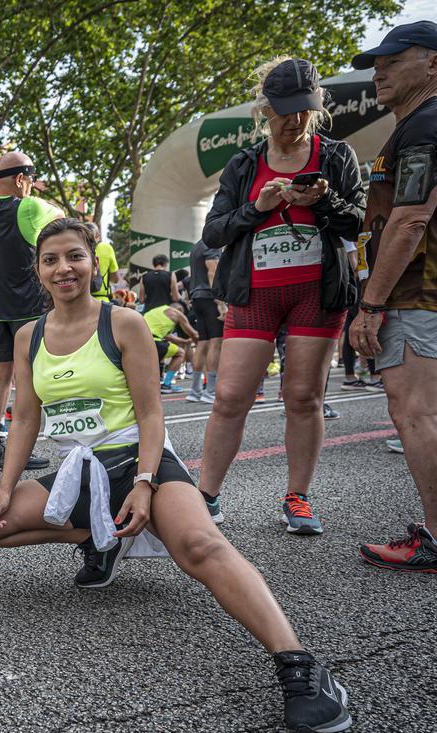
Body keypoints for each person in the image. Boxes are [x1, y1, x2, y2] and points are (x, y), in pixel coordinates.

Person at [0, 218, 351, 733]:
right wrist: (7, 487)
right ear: (38, 270)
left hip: (142, 462)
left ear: (92, 261)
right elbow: (26, 419)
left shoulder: (124, 322)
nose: (63, 269)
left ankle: (299, 666)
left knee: (200, 547)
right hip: (82, 472)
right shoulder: (30, 335)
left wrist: (145, 482)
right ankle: (100, 539)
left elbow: (150, 415)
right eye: (50, 260)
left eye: (74, 256)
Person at [198, 56, 365, 534]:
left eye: (304, 111)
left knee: (303, 396)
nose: (295, 121)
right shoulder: (244, 163)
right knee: (230, 396)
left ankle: (298, 497)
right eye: (285, 111)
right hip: (256, 293)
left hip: (317, 291)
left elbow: (359, 221)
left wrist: (323, 202)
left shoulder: (335, 156)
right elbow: (213, 232)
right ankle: (206, 495)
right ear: (264, 109)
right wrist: (259, 206)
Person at [347, 24, 437, 571]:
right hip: (416, 293)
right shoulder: (413, 125)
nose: (379, 70)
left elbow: (409, 221)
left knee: (415, 413)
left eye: (394, 59)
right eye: (376, 61)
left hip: (414, 293)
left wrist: (371, 304)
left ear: (432, 66)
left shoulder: (425, 124)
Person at [0, 151, 60, 468]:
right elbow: (64, 221)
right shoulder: (31, 206)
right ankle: (17, 450)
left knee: (1, 378)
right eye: (32, 179)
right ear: (21, 179)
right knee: (27, 382)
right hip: (28, 308)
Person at [186, 239, 225, 402]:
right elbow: (212, 270)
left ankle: (195, 392)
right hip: (209, 297)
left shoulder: (197, 246)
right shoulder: (213, 243)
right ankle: (210, 392)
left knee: (203, 342)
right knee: (216, 341)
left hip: (197, 297)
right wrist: (220, 301)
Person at [143, 301, 199, 393]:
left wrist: (184, 341)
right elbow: (193, 334)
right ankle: (167, 384)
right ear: (180, 310)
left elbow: (166, 336)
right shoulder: (177, 313)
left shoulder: (155, 311)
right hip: (154, 342)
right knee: (180, 353)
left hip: (141, 341)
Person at [85, 222, 120, 302]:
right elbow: (116, 279)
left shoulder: (76, 250)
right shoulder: (106, 248)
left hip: (79, 302)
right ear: (98, 237)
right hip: (102, 301)